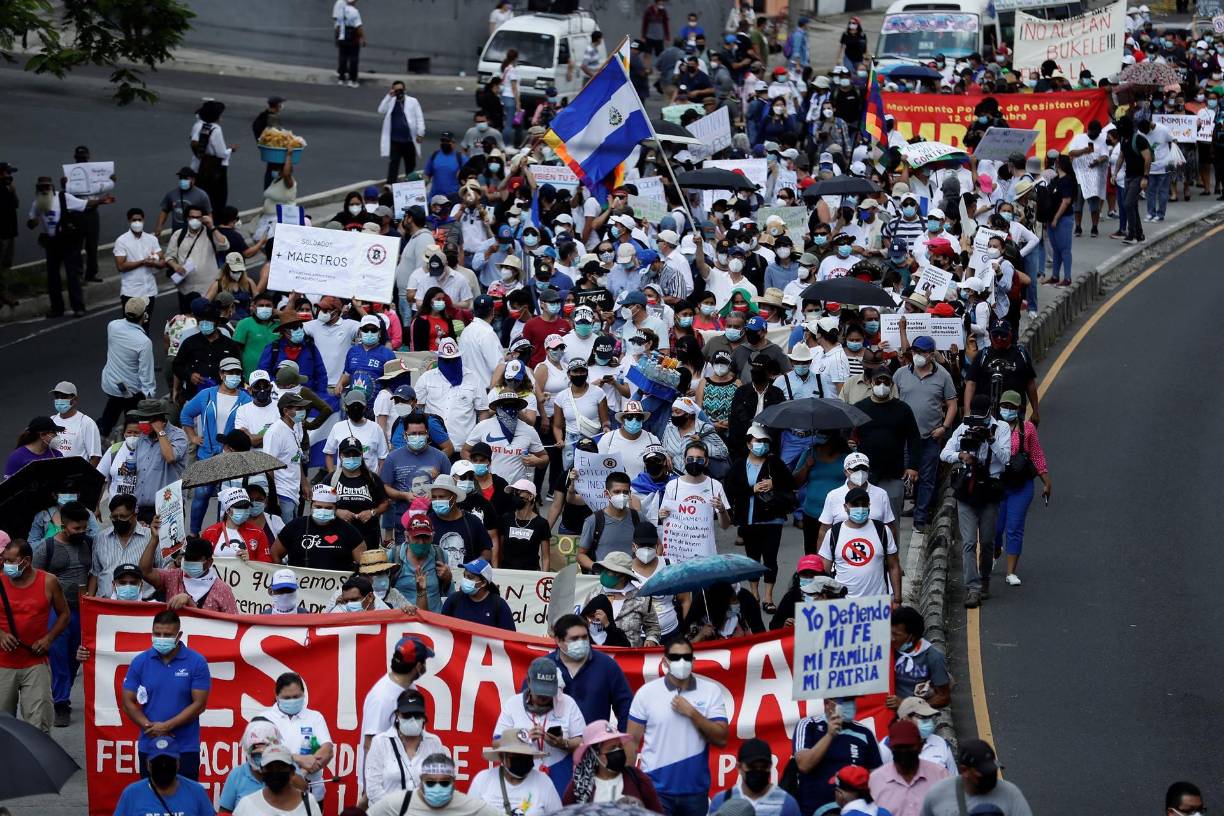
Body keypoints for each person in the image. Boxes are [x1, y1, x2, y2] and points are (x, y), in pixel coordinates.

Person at [626, 635, 728, 816]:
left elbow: (721, 738)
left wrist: (693, 713)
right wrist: (628, 786)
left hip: (695, 792)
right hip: (655, 789)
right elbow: (631, 742)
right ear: (665, 661)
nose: (682, 662)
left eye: (686, 657)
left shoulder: (711, 691)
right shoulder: (646, 693)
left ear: (693, 660)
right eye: (675, 657)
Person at [940, 394, 1012, 609]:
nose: (978, 421)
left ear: (990, 412)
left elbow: (1006, 458)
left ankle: (985, 578)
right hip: (968, 487)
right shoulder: (965, 426)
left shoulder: (1001, 428)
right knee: (969, 542)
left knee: (987, 540)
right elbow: (945, 453)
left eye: (983, 416)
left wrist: (990, 439)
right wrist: (961, 456)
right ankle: (972, 588)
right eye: (976, 416)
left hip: (990, 487)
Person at [121, 610, 211, 779]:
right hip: (149, 746)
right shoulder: (140, 662)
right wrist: (150, 727)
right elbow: (127, 701)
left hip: (185, 748)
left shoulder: (197, 662)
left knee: (185, 795)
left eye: (167, 635)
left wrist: (166, 727)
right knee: (151, 795)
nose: (161, 638)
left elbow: (199, 704)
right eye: (157, 634)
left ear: (179, 635)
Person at [0, 536, 69, 733]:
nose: (6, 565)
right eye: (4, 560)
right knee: (3, 727)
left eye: (10, 561)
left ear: (27, 561)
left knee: (39, 726)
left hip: (36, 662)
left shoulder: (48, 581)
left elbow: (65, 614)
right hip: (3, 664)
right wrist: (1, 635)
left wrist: (49, 638)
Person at [725, 424, 795, 614]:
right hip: (749, 520)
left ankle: (768, 597)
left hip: (772, 519)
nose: (762, 445)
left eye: (765, 441)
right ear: (749, 444)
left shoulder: (774, 463)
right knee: (753, 558)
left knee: (770, 558)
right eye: (758, 441)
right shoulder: (740, 464)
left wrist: (774, 483)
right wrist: (752, 489)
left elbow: (791, 482)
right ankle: (754, 593)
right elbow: (730, 489)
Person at [493, 656, 586, 794]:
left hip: (561, 778)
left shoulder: (568, 703)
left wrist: (562, 743)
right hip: (523, 776)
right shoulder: (513, 704)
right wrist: (523, 738)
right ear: (529, 682)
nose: (544, 696)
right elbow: (496, 743)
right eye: (540, 691)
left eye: (548, 691)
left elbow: (583, 743)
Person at [892, 338, 956, 533]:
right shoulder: (901, 374)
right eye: (915, 351)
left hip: (930, 436)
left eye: (922, 352)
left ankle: (920, 518)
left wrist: (944, 427)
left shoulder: (943, 376)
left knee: (927, 478)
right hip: (904, 437)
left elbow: (952, 404)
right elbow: (892, 401)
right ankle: (894, 516)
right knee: (901, 477)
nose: (918, 355)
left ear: (931, 354)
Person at [26, 174, 110, 318]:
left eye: (46, 187)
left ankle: (78, 307)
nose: (44, 190)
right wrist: (33, 223)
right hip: (51, 243)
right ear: (37, 189)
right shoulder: (37, 203)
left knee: (72, 276)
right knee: (53, 277)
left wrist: (101, 201)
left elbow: (84, 204)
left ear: (51, 187)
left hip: (67, 241)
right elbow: (31, 221)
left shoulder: (63, 198)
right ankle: (57, 308)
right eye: (41, 188)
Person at [994, 389, 1051, 586]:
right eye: (1004, 406)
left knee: (1014, 527)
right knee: (995, 528)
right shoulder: (993, 427)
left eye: (1011, 407)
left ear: (1019, 408)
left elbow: (1036, 454)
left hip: (1021, 485)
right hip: (998, 485)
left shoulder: (1027, 429)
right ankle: (995, 549)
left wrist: (1046, 480)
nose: (1007, 410)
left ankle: (1011, 572)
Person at [793, 697, 883, 816]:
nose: (850, 705)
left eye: (852, 700)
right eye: (845, 701)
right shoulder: (809, 725)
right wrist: (830, 735)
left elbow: (877, 778)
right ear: (828, 703)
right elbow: (804, 765)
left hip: (854, 812)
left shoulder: (864, 732)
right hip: (814, 811)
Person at [359, 635, 435, 776]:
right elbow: (370, 746)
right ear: (418, 667)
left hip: (405, 777)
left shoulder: (410, 688)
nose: (425, 667)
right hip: (385, 782)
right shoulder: (382, 698)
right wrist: (371, 786)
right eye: (424, 662)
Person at [365, 687, 448, 805]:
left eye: (417, 715)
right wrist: (398, 810)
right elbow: (373, 789)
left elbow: (442, 782)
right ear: (397, 715)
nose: (412, 720)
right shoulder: (381, 742)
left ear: (424, 716)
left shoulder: (434, 743)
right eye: (407, 715)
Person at [547, 614, 634, 726]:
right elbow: (528, 706)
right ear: (558, 640)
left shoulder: (606, 665)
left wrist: (624, 736)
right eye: (574, 639)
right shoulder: (543, 667)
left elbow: (626, 707)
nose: (581, 642)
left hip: (596, 736)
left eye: (584, 637)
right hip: (554, 736)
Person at [261, 671, 334, 800]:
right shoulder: (264, 719)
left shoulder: (315, 717)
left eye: (296, 696)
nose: (292, 701)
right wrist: (298, 759)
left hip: (311, 795)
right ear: (277, 696)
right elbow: (262, 753)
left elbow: (327, 750)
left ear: (303, 694)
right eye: (287, 698)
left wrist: (302, 774)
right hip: (274, 795)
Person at [563, 719, 663, 809]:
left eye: (620, 746)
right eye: (612, 748)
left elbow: (656, 812)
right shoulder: (579, 784)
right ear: (595, 755)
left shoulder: (637, 778)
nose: (618, 751)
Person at [916, 739, 1032, 816]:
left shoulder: (1010, 793)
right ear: (965, 771)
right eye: (984, 772)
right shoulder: (937, 794)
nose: (990, 776)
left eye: (993, 770)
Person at [140, 531, 240, 614]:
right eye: (188, 558)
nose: (190, 562)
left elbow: (233, 624)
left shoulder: (222, 590)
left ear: (209, 562)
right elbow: (145, 571)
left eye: (195, 559)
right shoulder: (173, 577)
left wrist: (189, 602)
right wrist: (154, 539)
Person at [113, 736, 215, 816]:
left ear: (178, 764)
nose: (163, 766)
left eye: (168, 762)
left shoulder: (196, 792)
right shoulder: (132, 794)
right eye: (158, 763)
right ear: (148, 765)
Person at [272, 485, 367, 571]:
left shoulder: (349, 531)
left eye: (328, 508)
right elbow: (275, 553)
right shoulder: (295, 526)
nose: (323, 511)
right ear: (311, 506)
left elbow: (364, 564)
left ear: (335, 509)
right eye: (318, 507)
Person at [100, 297, 157, 436]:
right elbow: (146, 374)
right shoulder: (144, 342)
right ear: (144, 315)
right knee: (133, 419)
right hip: (131, 391)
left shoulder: (112, 326)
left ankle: (102, 433)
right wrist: (150, 399)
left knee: (113, 408)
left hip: (110, 384)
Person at [468, 731, 562, 816]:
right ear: (502, 757)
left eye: (527, 756)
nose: (522, 760)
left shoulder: (543, 782)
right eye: (516, 756)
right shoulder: (483, 779)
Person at [869, 720, 949, 816]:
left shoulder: (940, 775)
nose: (904, 751)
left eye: (909, 747)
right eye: (899, 747)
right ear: (890, 747)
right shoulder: (875, 780)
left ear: (921, 746)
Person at [580, 552, 661, 647]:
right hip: (599, 652)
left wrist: (651, 640)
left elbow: (653, 626)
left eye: (608, 571)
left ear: (622, 576)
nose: (604, 573)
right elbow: (581, 622)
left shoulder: (641, 598)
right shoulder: (594, 594)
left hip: (630, 654)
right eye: (604, 570)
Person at [709, 738, 801, 816]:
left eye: (764, 767)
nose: (758, 771)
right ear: (739, 767)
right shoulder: (722, 800)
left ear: (770, 766)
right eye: (752, 767)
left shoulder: (787, 803)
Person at [889, 606, 951, 709]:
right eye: (890, 632)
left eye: (896, 634)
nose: (891, 638)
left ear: (911, 637)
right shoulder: (886, 651)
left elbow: (944, 697)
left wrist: (908, 705)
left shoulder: (934, 658)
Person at [232, 742, 318, 815]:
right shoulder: (246, 805)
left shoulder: (309, 803)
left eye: (280, 768)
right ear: (262, 771)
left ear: (292, 771)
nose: (275, 772)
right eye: (269, 768)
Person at [577, 471, 639, 570]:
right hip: (604, 577)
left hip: (631, 577)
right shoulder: (593, 521)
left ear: (630, 493)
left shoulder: (638, 517)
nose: (622, 496)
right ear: (607, 493)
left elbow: (656, 545)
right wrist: (597, 568)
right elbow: (581, 555)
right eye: (617, 492)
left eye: (625, 492)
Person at [218, 719, 280, 813]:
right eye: (256, 751)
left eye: (266, 750)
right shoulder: (237, 775)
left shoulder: (286, 774)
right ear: (247, 748)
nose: (261, 754)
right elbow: (224, 812)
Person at [440, 557, 515, 630]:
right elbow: (441, 629)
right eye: (464, 576)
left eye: (470, 577)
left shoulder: (499, 605)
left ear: (483, 583)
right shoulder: (454, 599)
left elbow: (509, 635)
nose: (465, 580)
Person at [380, 80, 425, 184]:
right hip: (395, 140)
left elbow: (419, 118)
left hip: (409, 141)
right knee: (393, 164)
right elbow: (381, 110)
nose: (398, 92)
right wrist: (388, 96)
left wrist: (420, 133)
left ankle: (410, 184)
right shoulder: (391, 101)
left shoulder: (413, 101)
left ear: (404, 90)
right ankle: (390, 184)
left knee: (410, 165)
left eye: (400, 90)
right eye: (396, 90)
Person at [334, 0, 365, 87]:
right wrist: (362, 38)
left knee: (342, 58)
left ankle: (341, 78)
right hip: (353, 36)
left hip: (342, 35)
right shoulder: (355, 12)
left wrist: (337, 37)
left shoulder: (341, 11)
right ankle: (352, 80)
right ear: (354, 2)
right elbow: (358, 26)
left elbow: (337, 26)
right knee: (353, 59)